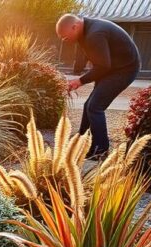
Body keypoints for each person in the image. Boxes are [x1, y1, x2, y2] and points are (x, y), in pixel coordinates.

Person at [57, 13, 141, 159]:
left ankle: (100, 150)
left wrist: (80, 81)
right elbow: (87, 58)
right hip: (112, 67)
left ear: (74, 26)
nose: (64, 41)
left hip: (125, 69)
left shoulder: (94, 34)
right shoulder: (85, 31)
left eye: (64, 37)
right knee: (89, 104)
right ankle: (80, 140)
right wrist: (75, 74)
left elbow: (103, 66)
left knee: (95, 107)